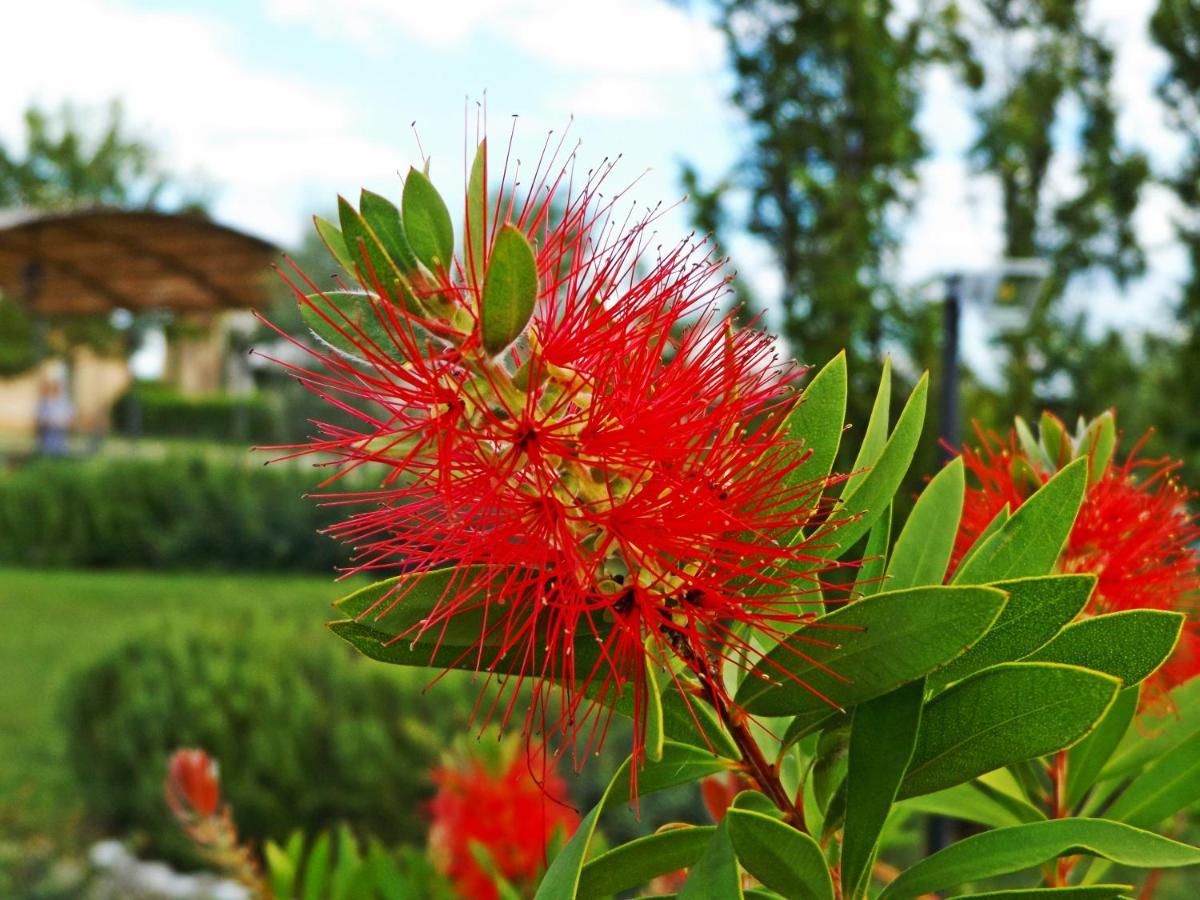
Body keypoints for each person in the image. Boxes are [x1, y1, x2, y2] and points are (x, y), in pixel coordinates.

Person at [35, 378, 73, 456]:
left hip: (60, 433)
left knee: (59, 451)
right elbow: (40, 418)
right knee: (46, 452)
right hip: (47, 433)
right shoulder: (44, 403)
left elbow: (69, 418)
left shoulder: (64, 402)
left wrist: (60, 422)